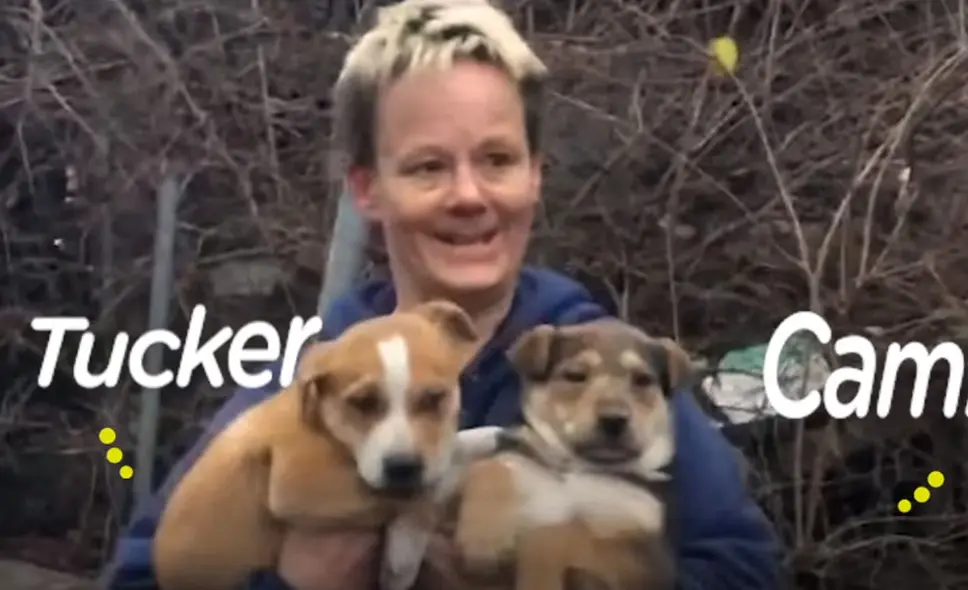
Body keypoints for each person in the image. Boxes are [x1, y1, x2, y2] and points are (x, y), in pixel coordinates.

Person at [106, 1, 782, 588]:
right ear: (367, 189)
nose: (469, 195)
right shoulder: (309, 381)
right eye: (428, 167)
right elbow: (140, 576)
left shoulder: (611, 371)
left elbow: (748, 570)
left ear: (535, 176)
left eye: (497, 160)